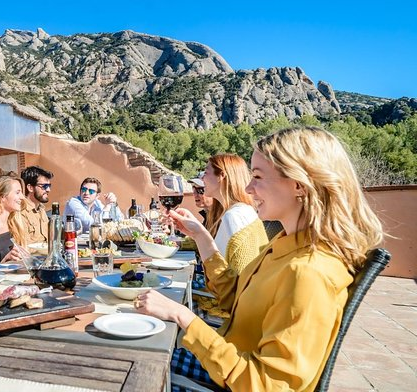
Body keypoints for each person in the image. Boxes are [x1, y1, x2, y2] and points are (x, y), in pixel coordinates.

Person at [134, 127, 384, 391]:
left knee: (134, 356)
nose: (248, 187)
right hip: (227, 358)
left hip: (231, 376)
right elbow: (235, 298)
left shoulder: (309, 272)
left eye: (257, 176)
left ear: (298, 184)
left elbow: (266, 385)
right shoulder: (285, 244)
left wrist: (182, 316)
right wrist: (203, 239)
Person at [201, 154, 267, 275]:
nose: (202, 178)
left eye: (205, 172)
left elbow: (242, 279)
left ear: (221, 176)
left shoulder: (235, 216)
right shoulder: (242, 211)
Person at [20, 165, 53, 243]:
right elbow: (23, 247)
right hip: (34, 255)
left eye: (49, 185)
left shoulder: (41, 208)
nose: (48, 190)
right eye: (44, 186)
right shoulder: (21, 212)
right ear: (30, 188)